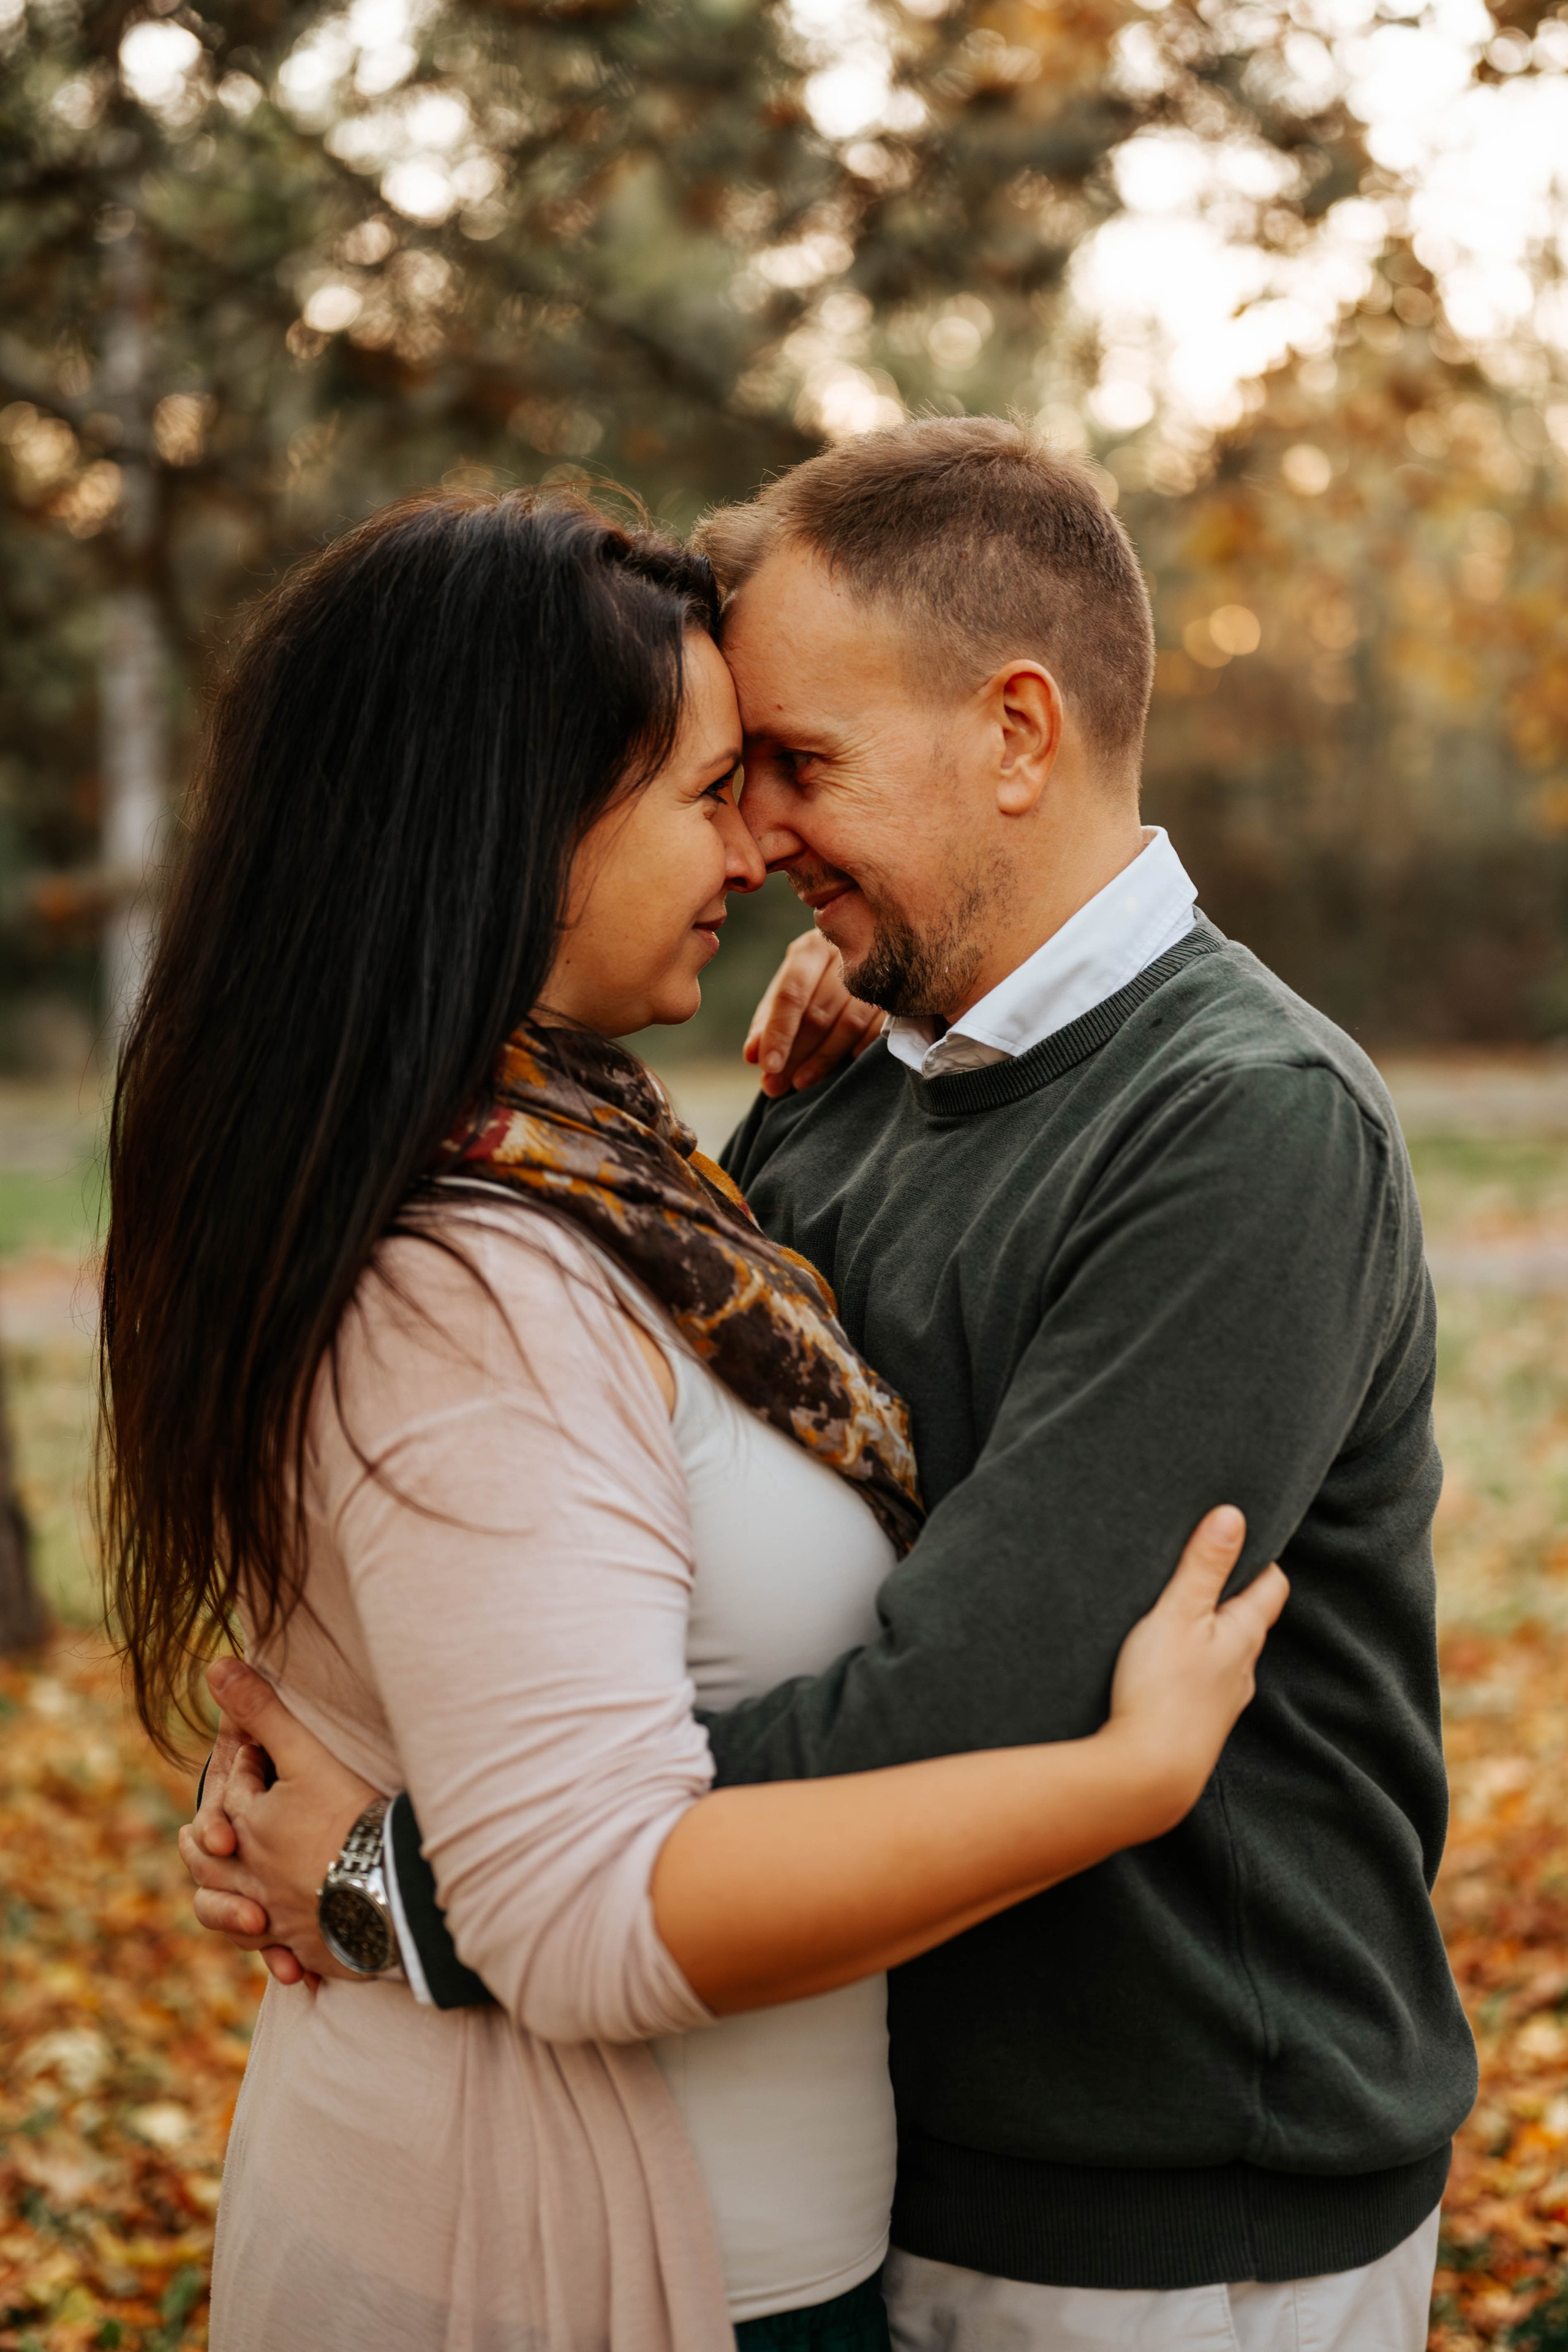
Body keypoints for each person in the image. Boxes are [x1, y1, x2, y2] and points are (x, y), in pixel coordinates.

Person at [107, 483, 1284, 2352]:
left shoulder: (609, 1162)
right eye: (718, 786)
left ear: (1018, 732)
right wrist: (1122, 1780)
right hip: (581, 2256)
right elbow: (577, 1879)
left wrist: (392, 1873)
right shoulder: (477, 1259)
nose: (758, 849)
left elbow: (564, 1630)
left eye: (789, 767)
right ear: (513, 822)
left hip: (819, 2222)